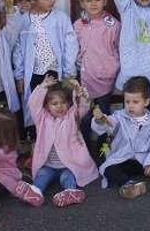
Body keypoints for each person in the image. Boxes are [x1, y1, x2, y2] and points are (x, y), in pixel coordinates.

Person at [13, 0, 79, 132]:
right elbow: (18, 49)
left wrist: (69, 73)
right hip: (34, 75)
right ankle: (40, 146)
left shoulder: (60, 18)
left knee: (59, 110)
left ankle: (60, 148)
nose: (52, 1)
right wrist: (20, 75)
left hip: (56, 73)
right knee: (37, 111)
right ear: (32, 0)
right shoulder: (23, 21)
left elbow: (71, 45)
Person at [92, 76, 150, 198]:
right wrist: (101, 119)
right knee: (108, 168)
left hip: (145, 158)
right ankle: (128, 184)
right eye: (127, 102)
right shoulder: (119, 117)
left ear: (146, 102)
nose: (130, 106)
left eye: (135, 102)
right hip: (124, 158)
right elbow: (108, 124)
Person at [22, 77, 98, 207]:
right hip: (48, 165)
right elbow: (33, 104)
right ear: (46, 106)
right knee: (42, 176)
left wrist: (79, 90)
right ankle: (35, 192)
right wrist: (42, 87)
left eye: (63, 103)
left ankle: (70, 191)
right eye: (54, 103)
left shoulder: (72, 116)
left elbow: (84, 105)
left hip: (68, 165)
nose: (59, 106)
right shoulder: (42, 119)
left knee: (68, 177)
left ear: (68, 104)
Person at [74, 0, 121, 114]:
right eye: (89, 0)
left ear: (105, 1)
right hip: (85, 77)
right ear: (82, 3)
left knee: (103, 114)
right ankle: (85, 135)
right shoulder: (78, 25)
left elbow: (118, 48)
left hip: (105, 77)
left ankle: (104, 136)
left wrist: (113, 68)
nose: (93, 3)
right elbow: (73, 48)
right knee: (84, 115)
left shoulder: (113, 25)